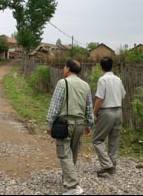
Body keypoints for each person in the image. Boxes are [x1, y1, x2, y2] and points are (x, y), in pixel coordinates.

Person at [47, 59, 94, 195]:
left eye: (64, 67)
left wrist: (49, 123)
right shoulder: (85, 85)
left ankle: (73, 186)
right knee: (73, 153)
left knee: (64, 153)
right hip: (80, 124)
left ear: (67, 68)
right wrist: (89, 124)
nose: (63, 69)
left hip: (65, 124)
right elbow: (89, 107)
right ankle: (67, 179)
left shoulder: (63, 83)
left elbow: (54, 106)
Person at [92, 57, 126, 177]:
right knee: (114, 140)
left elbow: (100, 98)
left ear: (101, 67)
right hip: (119, 111)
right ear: (112, 66)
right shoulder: (118, 79)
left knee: (97, 139)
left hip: (107, 112)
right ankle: (113, 165)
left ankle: (107, 165)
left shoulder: (103, 80)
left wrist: (94, 113)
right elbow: (123, 96)